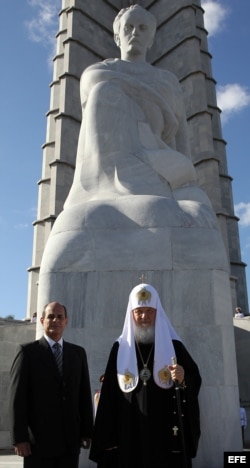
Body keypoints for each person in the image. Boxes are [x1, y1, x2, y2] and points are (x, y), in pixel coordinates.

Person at [89, 283, 201, 468]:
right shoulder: (119, 348)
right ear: (131, 314)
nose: (144, 317)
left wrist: (183, 379)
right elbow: (109, 394)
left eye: (149, 311)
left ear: (157, 312)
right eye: (139, 311)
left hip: (164, 430)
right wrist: (107, 438)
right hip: (128, 430)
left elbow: (194, 380)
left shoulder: (174, 345)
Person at [8, 301, 93, 468]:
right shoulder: (27, 353)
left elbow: (84, 394)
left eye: (60, 317)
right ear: (42, 321)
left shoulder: (78, 353)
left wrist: (87, 431)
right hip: (38, 444)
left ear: (66, 321)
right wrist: (20, 438)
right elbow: (17, 398)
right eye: (51, 317)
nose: (55, 320)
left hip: (70, 442)